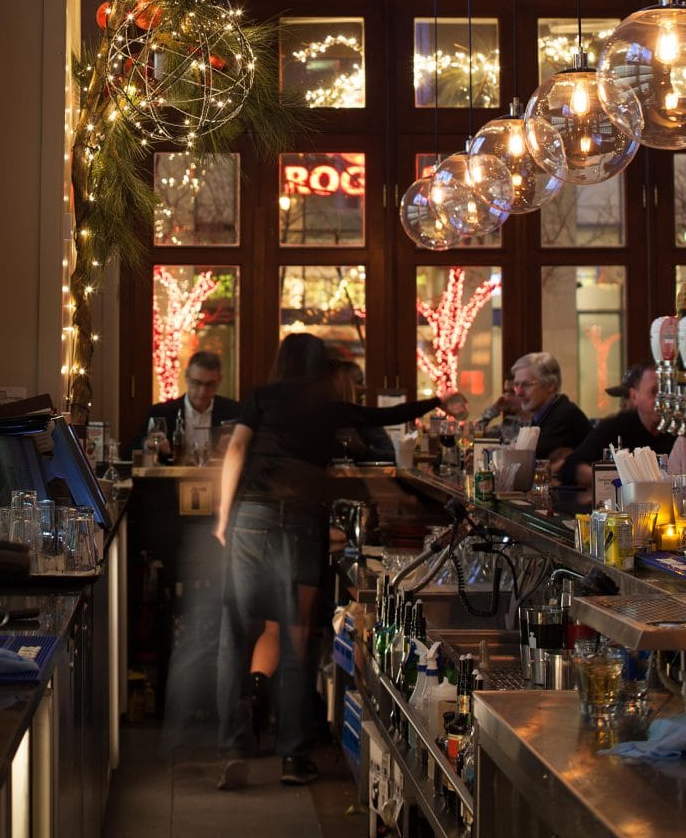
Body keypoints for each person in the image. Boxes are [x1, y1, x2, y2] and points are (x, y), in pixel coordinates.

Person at [213, 332, 465, 790]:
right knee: (295, 637)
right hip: (302, 525)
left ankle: (236, 737)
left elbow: (235, 449)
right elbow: (385, 416)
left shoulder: (261, 396)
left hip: (250, 518)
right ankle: (293, 757)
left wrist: (225, 515)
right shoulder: (327, 406)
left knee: (242, 627)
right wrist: (436, 400)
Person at [560, 364, 676, 489]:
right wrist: (610, 480)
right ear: (634, 396)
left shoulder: (680, 431)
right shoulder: (616, 426)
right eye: (654, 392)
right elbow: (570, 468)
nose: (662, 400)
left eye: (667, 392)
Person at [133, 348, 239, 462]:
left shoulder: (234, 412)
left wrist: (235, 448)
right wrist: (148, 446)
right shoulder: (162, 412)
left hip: (218, 478)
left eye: (210, 384)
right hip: (173, 479)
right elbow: (130, 451)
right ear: (186, 378)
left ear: (219, 380)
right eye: (196, 383)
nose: (202, 391)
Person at [510, 352, 590, 467]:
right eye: (516, 385)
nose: (518, 392)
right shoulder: (543, 414)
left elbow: (527, 461)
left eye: (526, 385)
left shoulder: (564, 415)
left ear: (550, 385)